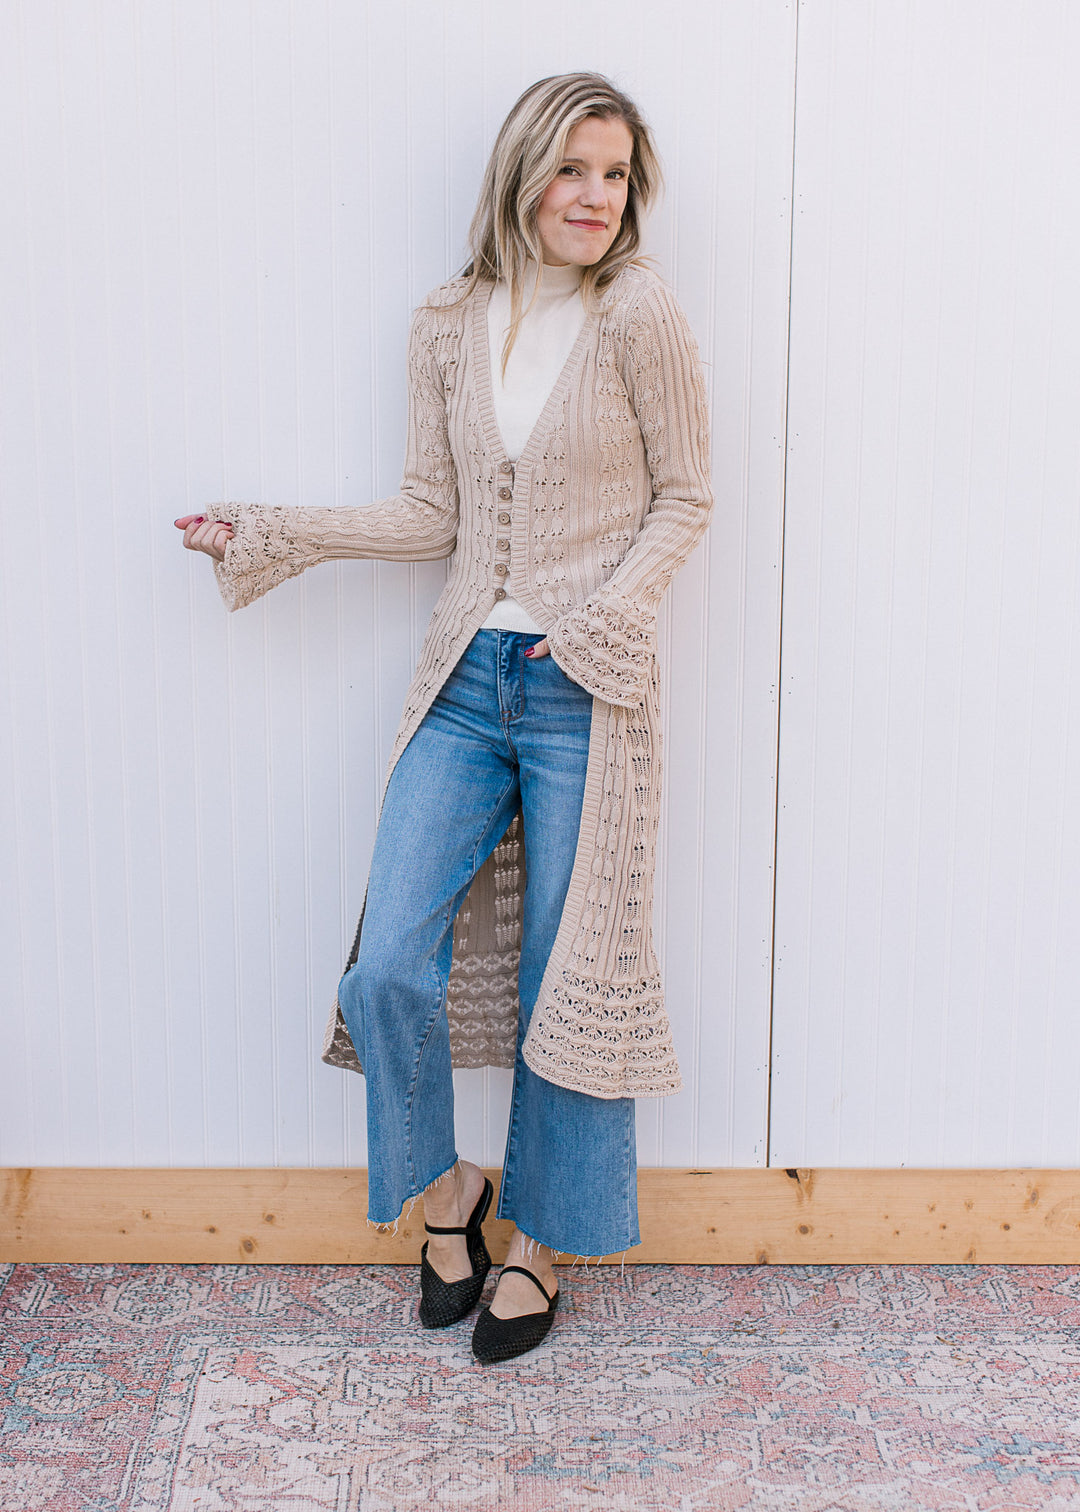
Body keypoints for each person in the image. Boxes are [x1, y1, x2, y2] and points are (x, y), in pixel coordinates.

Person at [176, 71, 712, 1363]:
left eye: (616, 174)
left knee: (566, 977)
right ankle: (448, 1193)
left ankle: (540, 1241)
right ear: (522, 170)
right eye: (573, 167)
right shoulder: (445, 323)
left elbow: (688, 496)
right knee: (385, 968)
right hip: (466, 683)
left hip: (590, 689)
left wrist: (609, 618)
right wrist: (275, 531)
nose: (596, 196)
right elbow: (433, 513)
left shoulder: (639, 311)